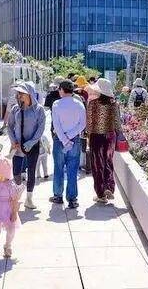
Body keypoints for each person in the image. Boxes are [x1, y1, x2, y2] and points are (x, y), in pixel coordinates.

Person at [7, 82, 46, 210]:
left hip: (32, 145)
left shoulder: (39, 110)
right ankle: (17, 195)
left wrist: (31, 143)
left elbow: (40, 129)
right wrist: (13, 141)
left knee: (31, 172)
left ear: (29, 94)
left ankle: (29, 198)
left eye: (22, 93)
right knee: (16, 172)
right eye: (18, 93)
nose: (19, 95)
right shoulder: (15, 109)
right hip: (17, 146)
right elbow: (10, 126)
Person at [50, 80, 86, 209]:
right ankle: (72, 199)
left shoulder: (56, 104)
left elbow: (56, 124)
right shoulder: (79, 104)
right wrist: (70, 136)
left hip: (59, 139)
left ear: (61, 90)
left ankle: (58, 196)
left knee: (58, 168)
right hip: (74, 140)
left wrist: (64, 139)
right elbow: (82, 124)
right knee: (72, 170)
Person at [87, 78, 122, 204]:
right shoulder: (114, 104)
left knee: (97, 164)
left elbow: (89, 123)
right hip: (110, 136)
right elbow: (117, 123)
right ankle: (109, 187)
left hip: (96, 136)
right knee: (108, 161)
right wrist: (120, 134)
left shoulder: (93, 103)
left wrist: (88, 137)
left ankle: (101, 193)